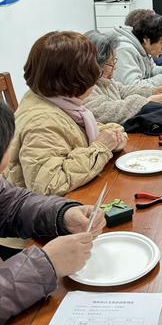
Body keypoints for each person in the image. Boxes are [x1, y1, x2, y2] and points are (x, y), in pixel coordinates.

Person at [0, 102, 106, 322]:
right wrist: (46, 264)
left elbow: (11, 203)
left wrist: (63, 215)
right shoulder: (40, 119)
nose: (8, 162)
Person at [4, 32, 127, 196]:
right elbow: (49, 185)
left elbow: (74, 132)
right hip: (41, 213)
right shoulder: (41, 121)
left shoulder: (56, 100)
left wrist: (111, 135)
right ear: (74, 79)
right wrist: (100, 148)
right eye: (94, 73)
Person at [84, 30, 162, 124]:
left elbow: (122, 89)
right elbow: (105, 111)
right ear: (95, 64)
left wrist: (153, 91)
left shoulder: (104, 80)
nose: (115, 68)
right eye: (111, 63)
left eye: (114, 61)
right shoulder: (84, 88)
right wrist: (146, 102)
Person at [113, 13, 162, 86]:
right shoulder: (124, 50)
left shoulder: (143, 46)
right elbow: (133, 86)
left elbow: (152, 70)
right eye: (161, 42)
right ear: (146, 39)